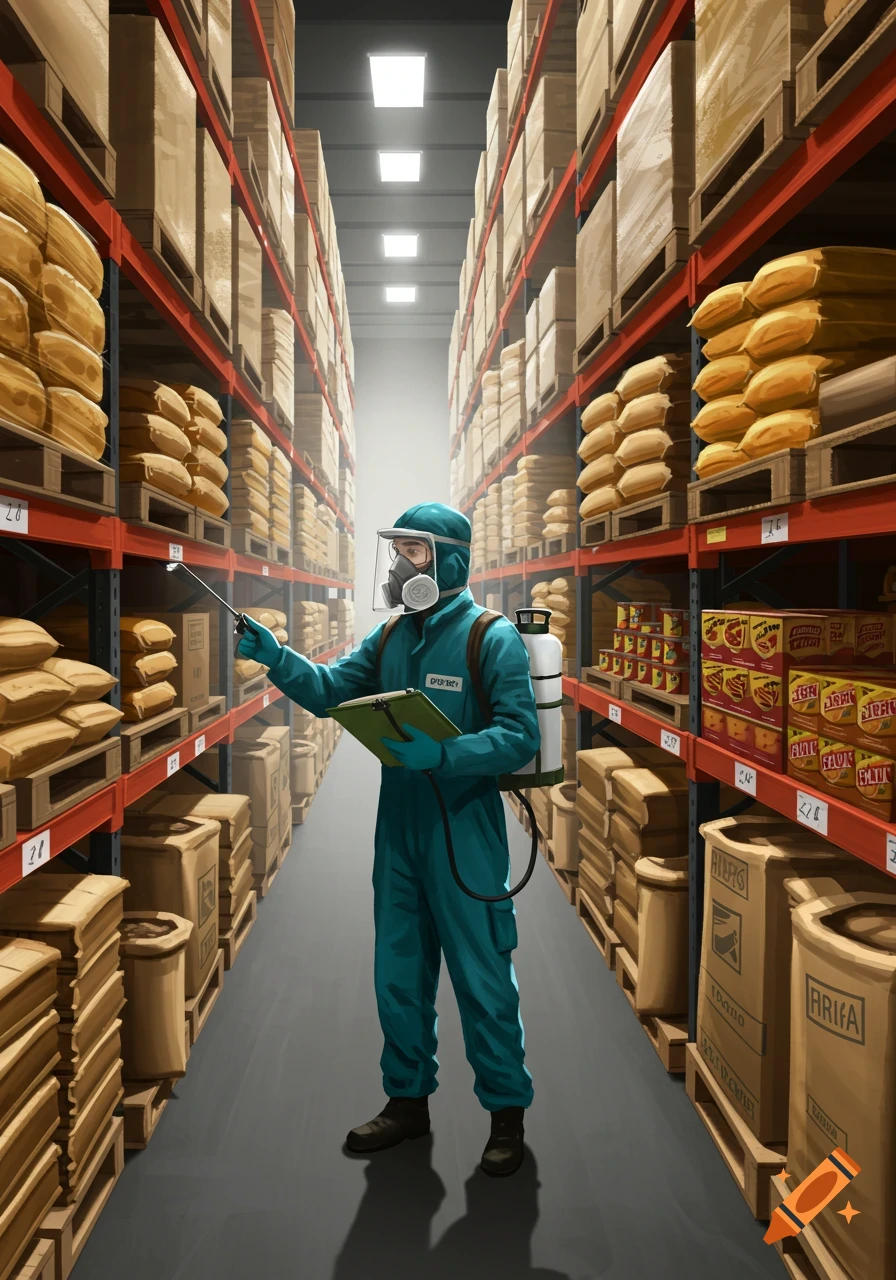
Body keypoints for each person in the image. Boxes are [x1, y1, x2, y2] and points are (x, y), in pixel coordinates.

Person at [238, 502, 540, 1177]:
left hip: (464, 829)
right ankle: (407, 1102)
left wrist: (448, 753)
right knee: (398, 973)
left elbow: (522, 736)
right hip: (399, 829)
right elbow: (326, 692)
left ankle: (505, 1114)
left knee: (483, 973)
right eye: (398, 551)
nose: (402, 565)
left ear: (451, 559)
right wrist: (277, 657)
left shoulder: (490, 639)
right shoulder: (389, 639)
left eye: (417, 552)